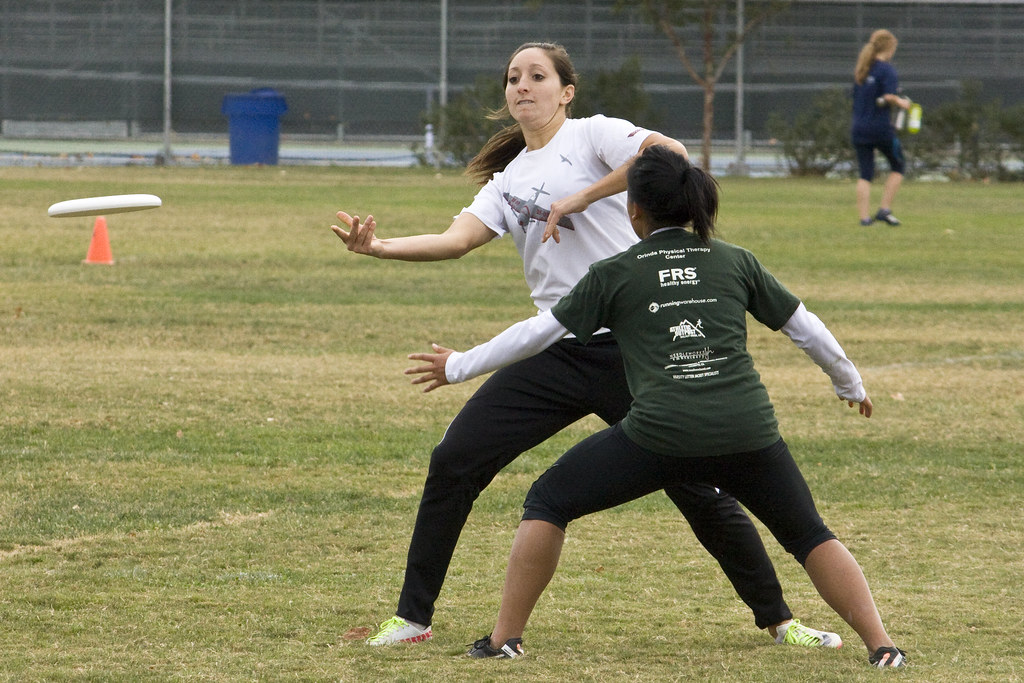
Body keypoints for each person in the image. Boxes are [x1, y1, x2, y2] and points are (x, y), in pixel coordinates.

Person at [334, 42, 838, 650]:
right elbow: (456, 239)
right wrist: (379, 247)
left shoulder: (594, 135)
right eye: (513, 78)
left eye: (536, 76)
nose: (522, 86)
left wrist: (582, 196)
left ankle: (780, 621)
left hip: (633, 350)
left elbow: (670, 155)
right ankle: (413, 618)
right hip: (556, 348)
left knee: (700, 488)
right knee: (454, 461)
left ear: (566, 92)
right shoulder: (508, 180)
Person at [406, 144, 907, 669]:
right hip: (749, 432)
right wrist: (849, 383)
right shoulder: (735, 260)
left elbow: (536, 334)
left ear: (634, 211)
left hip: (659, 437)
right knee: (809, 534)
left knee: (548, 501)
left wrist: (459, 365)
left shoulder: (616, 272)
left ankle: (504, 640)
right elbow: (805, 327)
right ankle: (883, 647)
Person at [852, 29, 911, 227]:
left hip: (859, 128)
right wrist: (902, 103)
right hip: (880, 128)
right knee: (898, 165)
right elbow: (888, 97)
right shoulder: (887, 70)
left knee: (865, 174)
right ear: (890, 48)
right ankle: (884, 210)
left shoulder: (862, 69)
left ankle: (864, 219)